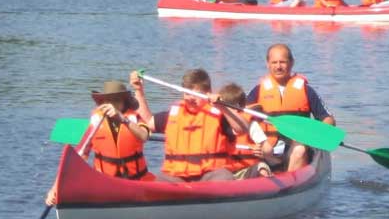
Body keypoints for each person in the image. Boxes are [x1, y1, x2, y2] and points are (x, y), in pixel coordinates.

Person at [44, 80, 154, 206]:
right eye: (108, 100)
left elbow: (144, 136)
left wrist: (122, 119)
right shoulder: (96, 122)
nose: (111, 105)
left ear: (124, 101)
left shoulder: (134, 118)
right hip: (105, 183)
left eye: (116, 99)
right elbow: (77, 156)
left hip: (136, 182)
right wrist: (55, 188)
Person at [131, 69, 248, 182]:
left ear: (208, 93)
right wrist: (139, 91)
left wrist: (223, 107)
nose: (191, 98)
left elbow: (242, 129)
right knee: (160, 180)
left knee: (224, 177)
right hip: (176, 175)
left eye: (197, 94)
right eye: (187, 93)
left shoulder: (220, 115)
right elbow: (147, 122)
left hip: (211, 174)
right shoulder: (174, 114)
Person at [246, 44, 336, 172]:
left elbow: (328, 119)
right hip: (268, 147)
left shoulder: (306, 90)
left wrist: (312, 135)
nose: (278, 67)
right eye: (274, 62)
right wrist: (253, 144)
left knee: (299, 149)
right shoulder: (257, 91)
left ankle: (289, 183)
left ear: (291, 63)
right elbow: (243, 120)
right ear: (268, 64)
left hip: (297, 145)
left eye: (282, 62)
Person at [218, 83, 277, 179]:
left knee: (261, 168)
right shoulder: (217, 123)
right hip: (226, 170)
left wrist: (262, 152)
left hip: (249, 168)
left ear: (238, 108)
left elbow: (268, 149)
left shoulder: (251, 125)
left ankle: (266, 182)